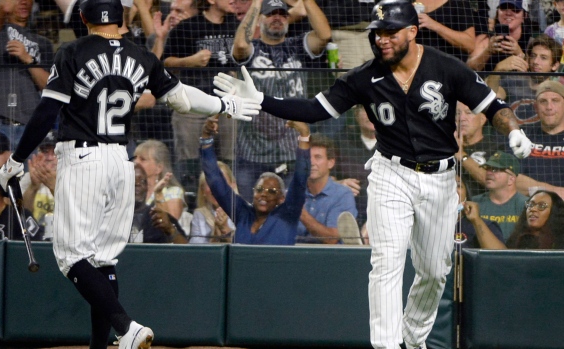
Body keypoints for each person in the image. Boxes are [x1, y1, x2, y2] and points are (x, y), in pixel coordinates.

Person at [212, 1, 532, 347]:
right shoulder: (364, 76)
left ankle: (413, 338)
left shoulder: (446, 67)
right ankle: (386, 345)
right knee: (387, 262)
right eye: (377, 33)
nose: (381, 40)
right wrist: (261, 99)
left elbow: (493, 106)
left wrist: (513, 130)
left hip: (440, 180)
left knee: (435, 271)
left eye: (390, 32)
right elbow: (315, 109)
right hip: (390, 173)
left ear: (413, 31)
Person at [0, 0, 259, 349]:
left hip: (83, 157)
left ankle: (126, 327)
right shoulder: (142, 56)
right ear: (122, 19)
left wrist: (16, 158)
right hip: (122, 161)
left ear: (83, 17)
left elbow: (48, 109)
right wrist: (227, 104)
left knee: (71, 257)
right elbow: (182, 98)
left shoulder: (72, 51)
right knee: (102, 261)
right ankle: (99, 346)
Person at [231, 0, 331, 202]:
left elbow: (325, 35)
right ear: (260, 19)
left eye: (282, 14)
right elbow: (240, 44)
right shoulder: (252, 49)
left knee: (288, 214)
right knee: (249, 214)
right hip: (251, 154)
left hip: (291, 154)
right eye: (271, 14)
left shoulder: (297, 46)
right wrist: (257, 3)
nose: (277, 18)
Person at [162, 0, 239, 194]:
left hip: (226, 105)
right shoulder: (188, 26)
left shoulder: (236, 25)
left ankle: (227, 201)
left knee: (228, 159)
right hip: (192, 105)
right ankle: (190, 203)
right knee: (189, 161)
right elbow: (166, 62)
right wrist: (191, 61)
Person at [200, 115, 310, 245]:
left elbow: (300, 179)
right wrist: (206, 137)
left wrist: (304, 136)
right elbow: (215, 181)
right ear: (253, 193)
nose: (264, 194)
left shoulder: (287, 214)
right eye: (259, 189)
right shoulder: (242, 214)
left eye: (272, 191)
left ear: (281, 198)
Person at [0, 0, 54, 164]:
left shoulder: (43, 44)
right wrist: (3, 7)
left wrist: (28, 59)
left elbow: (48, 86)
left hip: (29, 128)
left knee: (27, 186)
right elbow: (2, 9)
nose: (23, 2)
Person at [485, 34, 561, 124]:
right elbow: (488, 99)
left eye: (543, 58)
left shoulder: (558, 93)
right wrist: (498, 70)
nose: (536, 62)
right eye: (533, 56)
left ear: (555, 65)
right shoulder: (511, 82)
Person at [296, 133, 357, 244]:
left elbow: (332, 239)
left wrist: (301, 213)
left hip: (330, 258)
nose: (312, 163)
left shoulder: (342, 195)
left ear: (330, 163)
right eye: (307, 157)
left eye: (318, 157)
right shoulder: (293, 192)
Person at [516, 80, 564, 198]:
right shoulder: (521, 135)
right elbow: (510, 178)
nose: (549, 107)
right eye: (543, 101)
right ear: (536, 107)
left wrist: (535, 187)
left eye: (555, 101)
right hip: (529, 206)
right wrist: (556, 191)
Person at [471, 151, 528, 240]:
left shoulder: (525, 204)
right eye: (487, 169)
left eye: (495, 170)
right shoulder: (475, 203)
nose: (489, 173)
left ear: (511, 179)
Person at [334, 104, 375, 228]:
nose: (371, 114)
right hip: (351, 209)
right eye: (365, 109)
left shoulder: (395, 143)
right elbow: (326, 178)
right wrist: (339, 184)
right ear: (356, 115)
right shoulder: (341, 141)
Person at [456, 101, 506, 197]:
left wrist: (460, 154)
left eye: (468, 113)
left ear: (482, 119)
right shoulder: (445, 148)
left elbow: (494, 182)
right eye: (457, 113)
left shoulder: (496, 148)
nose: (461, 118)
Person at [467, 0, 533, 72]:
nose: (508, 13)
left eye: (515, 9)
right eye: (504, 8)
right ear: (497, 13)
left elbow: (536, 75)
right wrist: (488, 51)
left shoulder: (531, 43)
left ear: (524, 16)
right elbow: (469, 70)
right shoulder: (485, 40)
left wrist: (519, 53)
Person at [130, 164, 188, 243]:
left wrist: (170, 229)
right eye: (132, 180)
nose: (137, 184)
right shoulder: (112, 216)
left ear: (147, 187)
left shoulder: (158, 216)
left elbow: (186, 251)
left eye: (142, 181)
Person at [133, 140, 186, 220]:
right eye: (135, 158)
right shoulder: (129, 190)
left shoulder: (173, 192)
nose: (135, 162)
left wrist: (158, 194)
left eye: (142, 159)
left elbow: (172, 222)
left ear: (159, 168)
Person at [190, 161, 237, 243]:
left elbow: (248, 246)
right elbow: (195, 249)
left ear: (232, 186)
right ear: (203, 190)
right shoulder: (199, 215)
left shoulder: (245, 212)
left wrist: (225, 229)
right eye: (210, 183)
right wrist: (215, 234)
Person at [20, 131, 57, 231]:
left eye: (55, 152)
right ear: (37, 153)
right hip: (33, 236)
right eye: (45, 151)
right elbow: (20, 215)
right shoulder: (28, 178)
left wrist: (54, 187)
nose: (49, 158)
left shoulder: (70, 179)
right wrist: (33, 187)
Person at [456, 175, 506, 249]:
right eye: (447, 186)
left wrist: (476, 220)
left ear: (466, 194)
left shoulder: (485, 225)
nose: (453, 189)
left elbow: (500, 257)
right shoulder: (433, 223)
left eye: (458, 185)